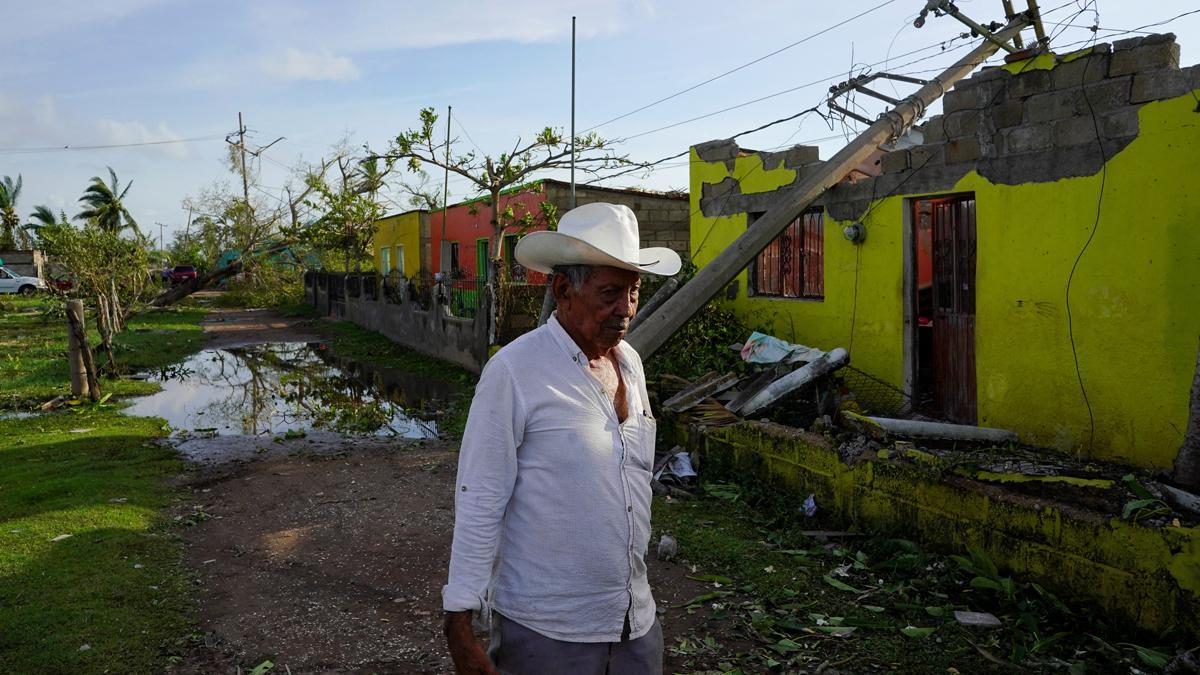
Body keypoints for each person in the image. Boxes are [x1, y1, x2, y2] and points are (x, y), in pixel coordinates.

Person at [443, 202, 681, 675]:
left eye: (633, 293)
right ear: (562, 290)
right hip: (546, 632)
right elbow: (480, 497)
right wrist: (459, 620)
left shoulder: (630, 363)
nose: (626, 309)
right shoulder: (514, 371)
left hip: (634, 622)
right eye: (611, 293)